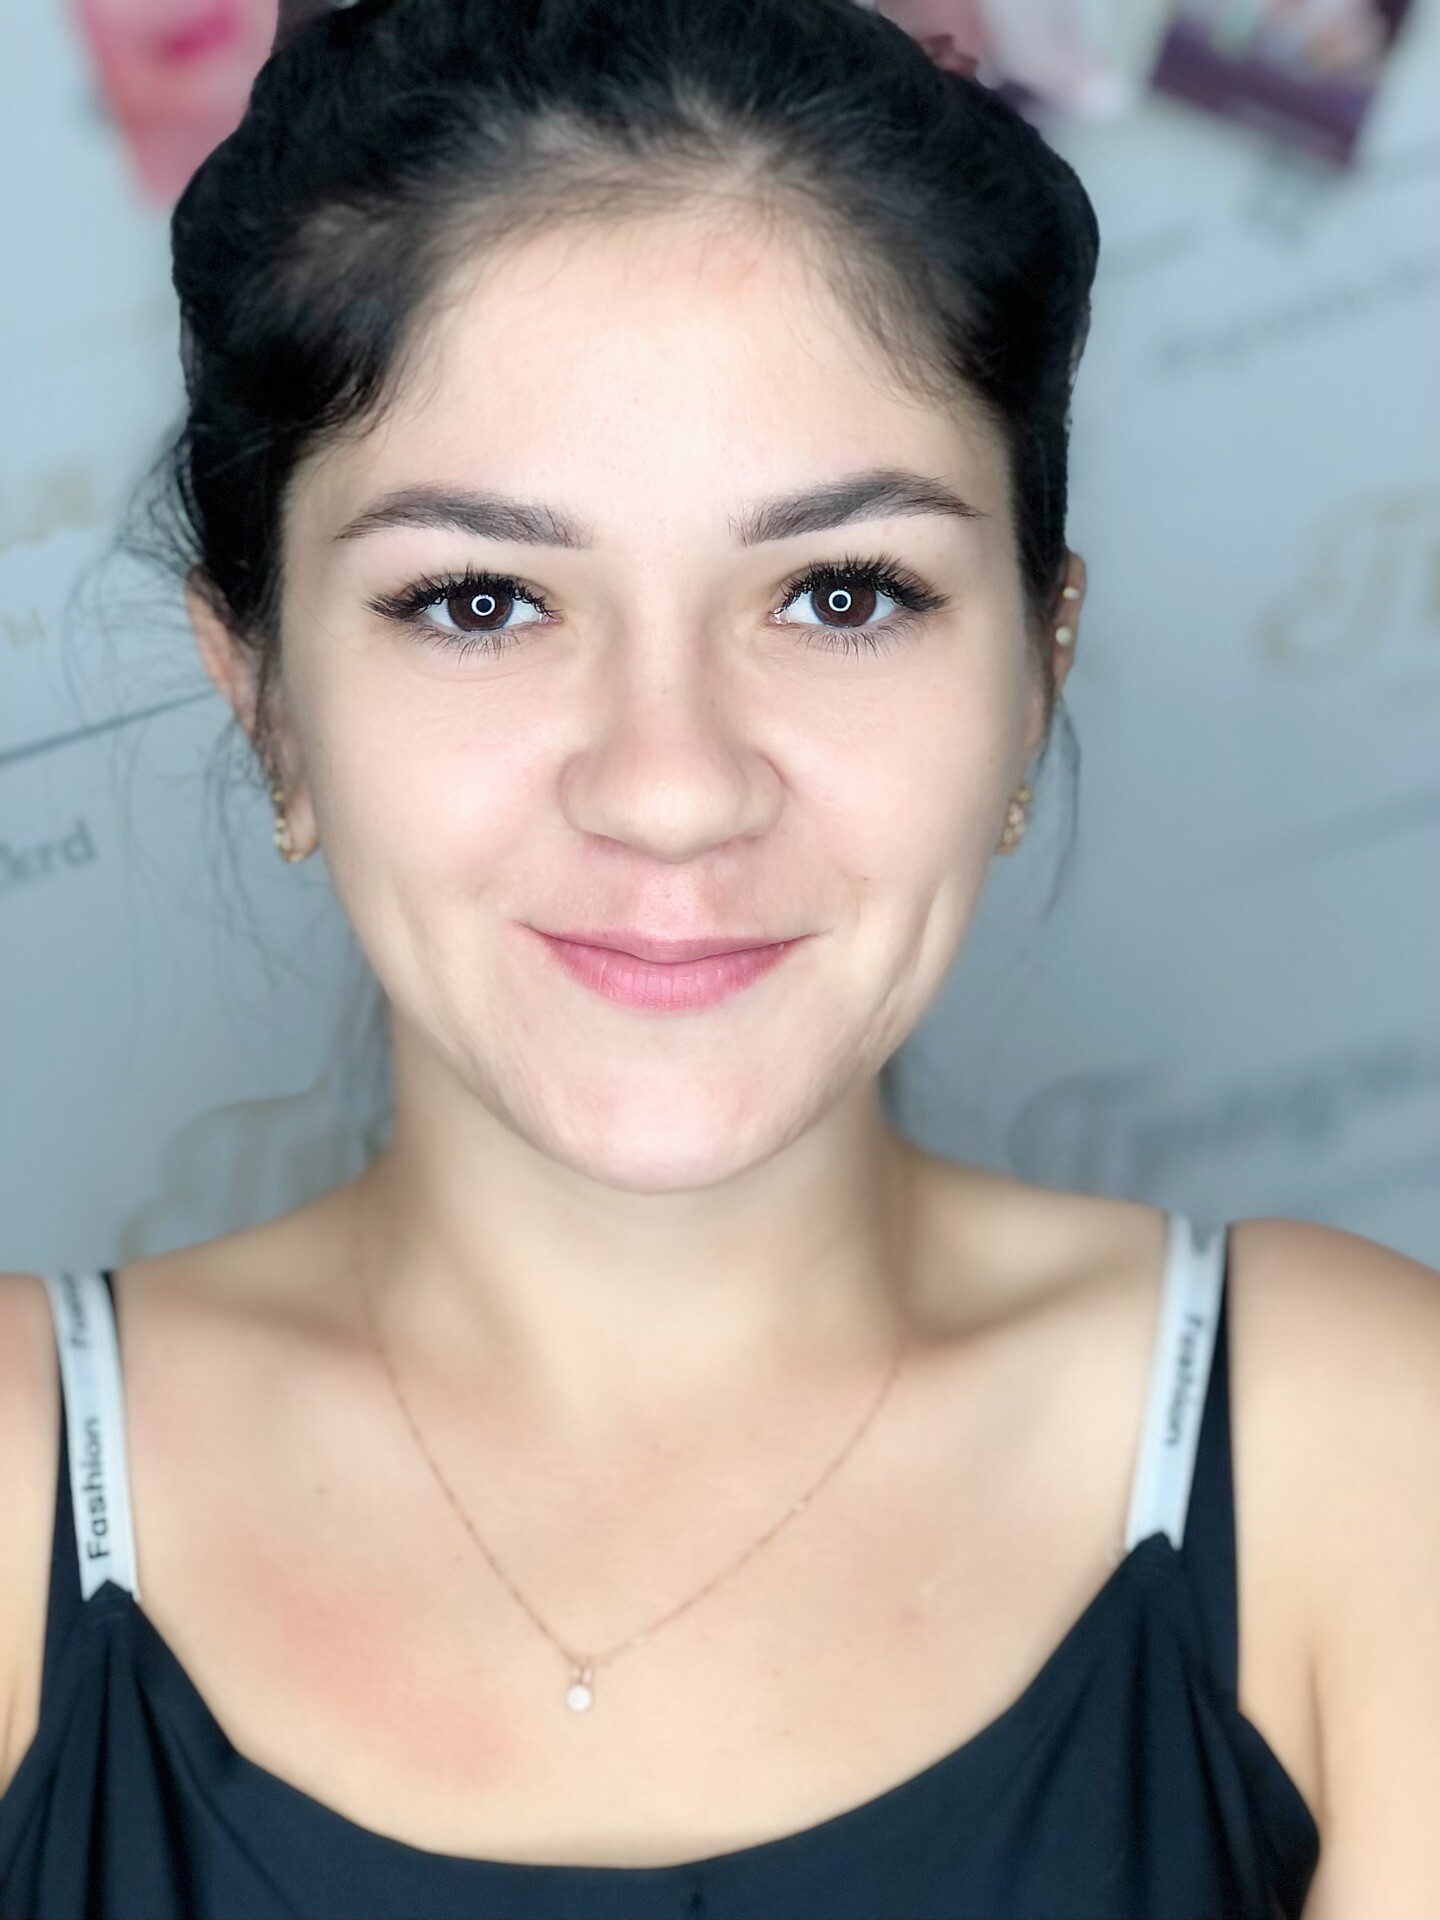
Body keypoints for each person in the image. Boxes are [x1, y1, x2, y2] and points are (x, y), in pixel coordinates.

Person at [2, 0, 1437, 1914]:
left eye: (841, 594)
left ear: (1037, 669)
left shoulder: (1365, 1451)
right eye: (480, 600)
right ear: (263, 697)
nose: (671, 787)